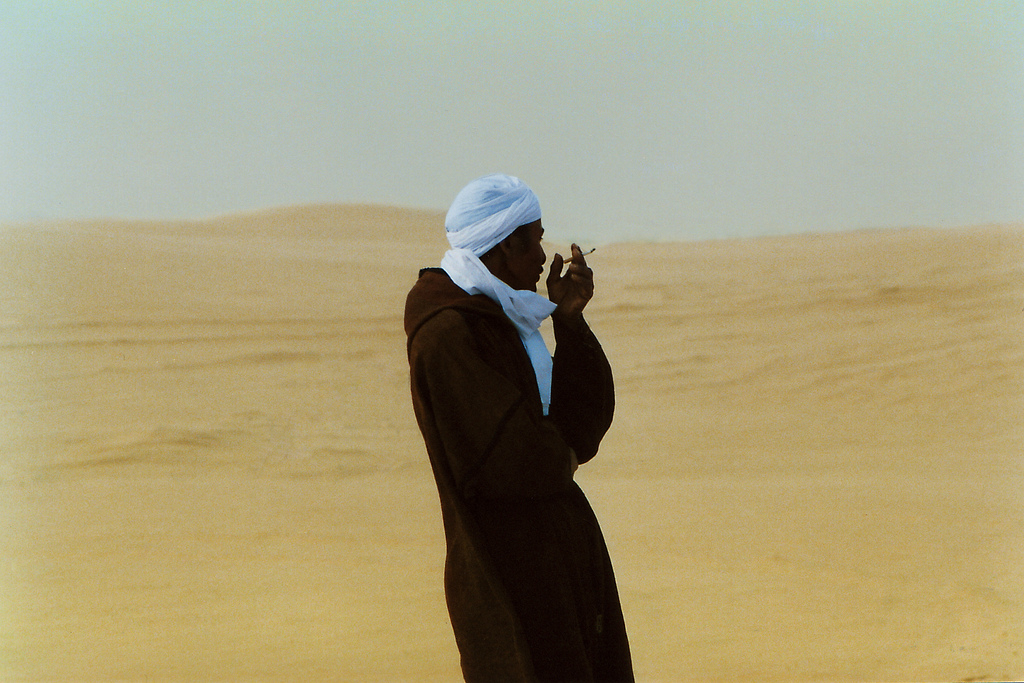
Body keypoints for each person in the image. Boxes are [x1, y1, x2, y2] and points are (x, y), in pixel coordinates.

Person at [404, 173, 633, 682]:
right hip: (513, 576)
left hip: (557, 566)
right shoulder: (447, 334)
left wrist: (569, 320)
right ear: (506, 245)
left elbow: (582, 429)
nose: (541, 256)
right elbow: (516, 459)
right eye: (534, 241)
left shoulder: (504, 318)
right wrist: (562, 457)